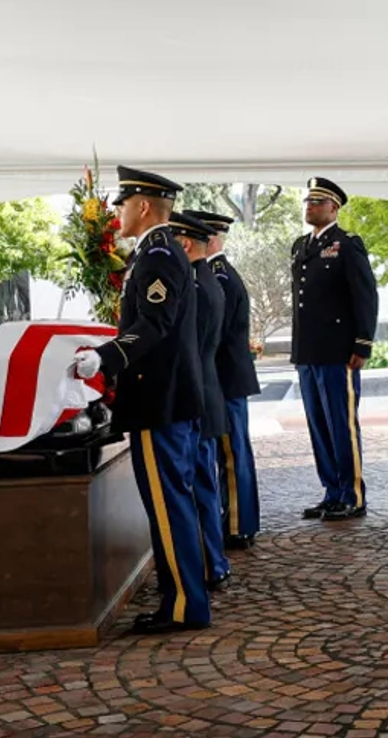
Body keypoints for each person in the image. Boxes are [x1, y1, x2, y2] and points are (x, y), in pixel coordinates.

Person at [70, 167, 210, 634]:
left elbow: (154, 324)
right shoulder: (159, 253)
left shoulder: (157, 256)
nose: (118, 213)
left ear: (144, 207)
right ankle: (182, 596)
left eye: (124, 204)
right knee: (173, 502)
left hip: (160, 399)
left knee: (169, 504)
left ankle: (185, 604)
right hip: (167, 398)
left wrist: (105, 358)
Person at [289, 177, 379, 521]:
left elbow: (366, 296)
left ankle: (352, 495)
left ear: (334, 207)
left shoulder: (347, 244)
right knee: (318, 425)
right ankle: (331, 491)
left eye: (317, 202)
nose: (310, 207)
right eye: (307, 202)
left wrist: (363, 343)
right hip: (308, 351)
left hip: (338, 351)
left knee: (342, 424)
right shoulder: (300, 246)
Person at [188, 210, 262, 549]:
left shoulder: (217, 276)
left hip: (226, 378)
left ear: (211, 239)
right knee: (234, 454)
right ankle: (239, 520)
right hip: (230, 376)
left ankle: (237, 525)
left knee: (232, 456)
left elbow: (212, 338)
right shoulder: (220, 273)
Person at [170, 213, 230, 592]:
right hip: (205, 391)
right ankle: (215, 560)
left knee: (200, 486)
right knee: (203, 484)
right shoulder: (205, 280)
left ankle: (211, 562)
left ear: (187, 244)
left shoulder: (198, 286)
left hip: (199, 394)